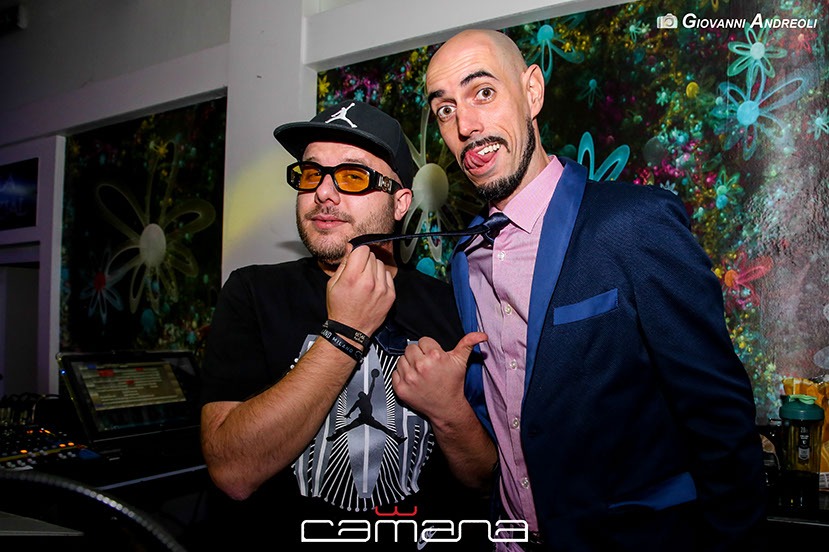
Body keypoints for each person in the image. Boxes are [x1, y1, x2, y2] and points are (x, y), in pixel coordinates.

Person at [393, 29, 768, 551]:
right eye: (445, 110)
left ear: (532, 92)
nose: (466, 126)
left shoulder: (633, 223)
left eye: (484, 92)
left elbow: (720, 418)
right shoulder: (466, 260)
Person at [197, 99, 487, 550]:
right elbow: (232, 472)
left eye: (352, 176)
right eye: (311, 174)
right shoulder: (252, 293)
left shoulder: (452, 305)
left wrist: (449, 411)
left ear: (400, 202)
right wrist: (345, 333)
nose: (323, 193)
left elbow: (483, 479)